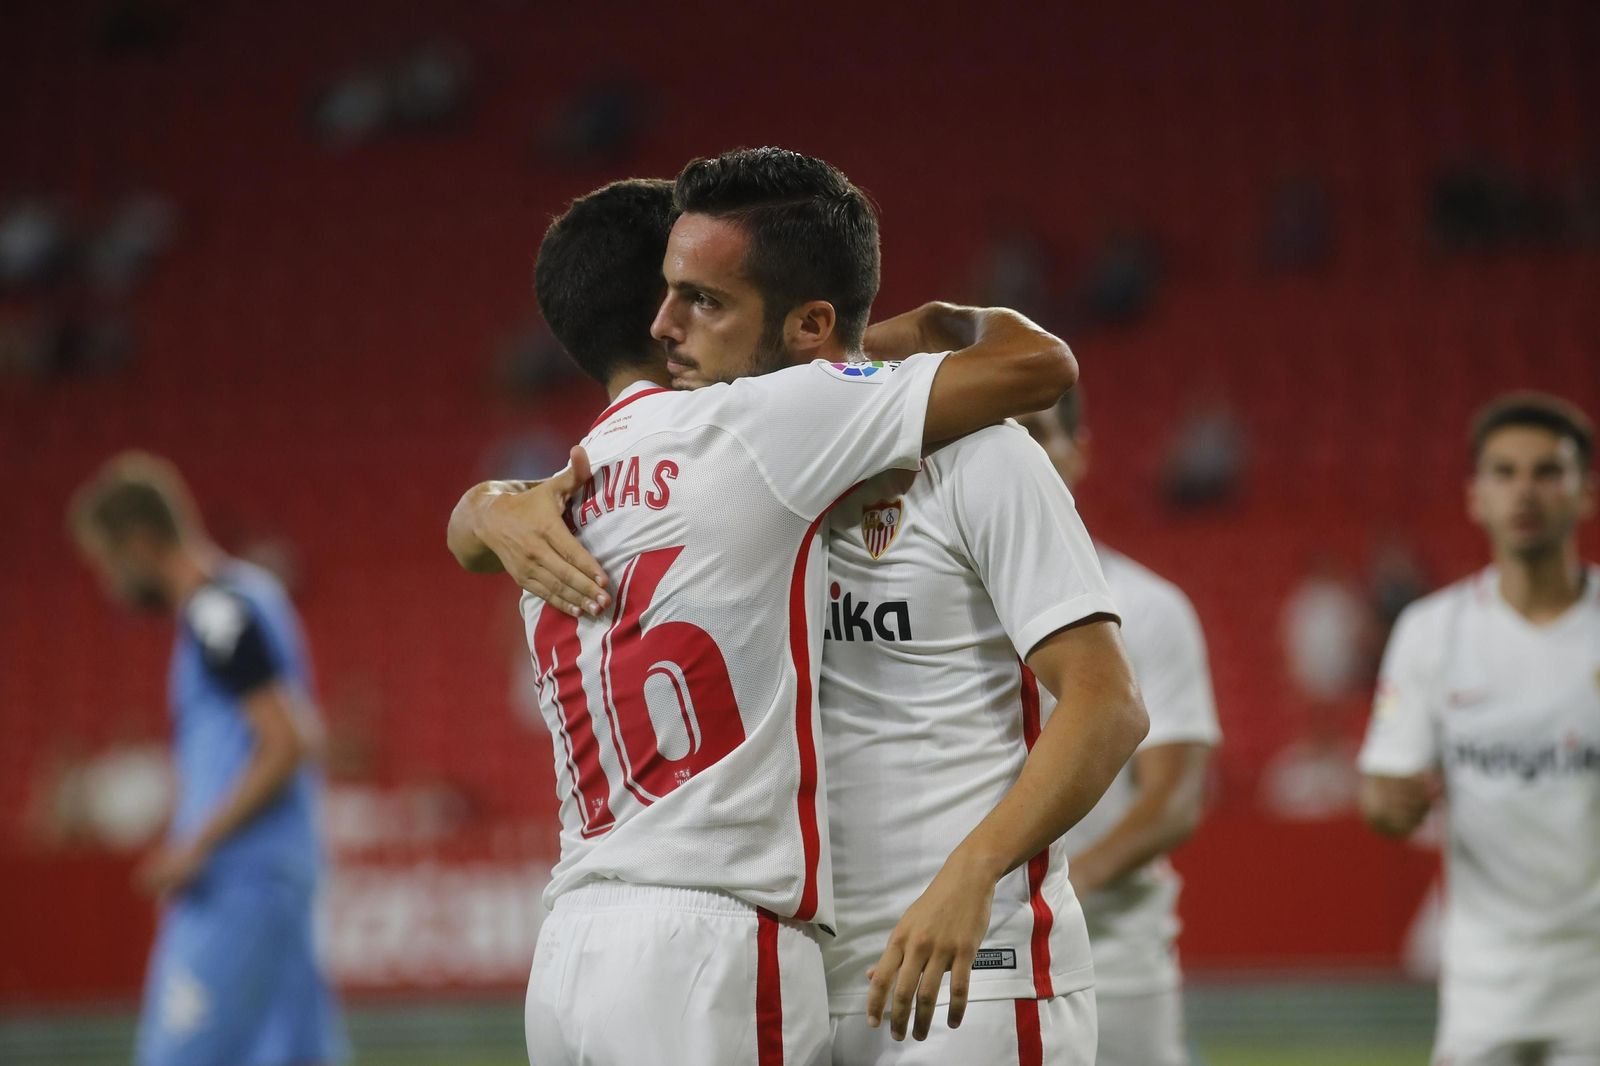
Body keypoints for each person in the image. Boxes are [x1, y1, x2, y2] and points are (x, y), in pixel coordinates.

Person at [457, 149, 1149, 1065]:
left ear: (807, 323)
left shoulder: (978, 456)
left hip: (968, 971)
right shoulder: (726, 476)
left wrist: (975, 872)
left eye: (705, 302)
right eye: (670, 295)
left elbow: (1107, 704)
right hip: (802, 978)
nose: (667, 329)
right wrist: (489, 505)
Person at [67, 452, 345, 1066]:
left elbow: (285, 741)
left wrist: (194, 843)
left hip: (236, 885)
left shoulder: (216, 611)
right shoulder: (249, 597)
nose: (109, 583)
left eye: (107, 563)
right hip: (278, 882)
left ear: (139, 544)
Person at [1358, 392, 1600, 1066]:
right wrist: (1390, 805)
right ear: (1476, 496)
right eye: (1505, 472)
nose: (1525, 490)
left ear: (1585, 494)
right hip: (1484, 984)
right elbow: (1384, 793)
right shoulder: (1432, 631)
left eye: (1548, 472)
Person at [1019, 393, 1221, 1066]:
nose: (1017, 451)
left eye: (1038, 433)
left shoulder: (1148, 607)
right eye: (997, 432)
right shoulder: (920, 603)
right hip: (957, 944)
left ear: (1080, 452)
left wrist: (1057, 892)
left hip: (1113, 952)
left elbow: (1174, 800)